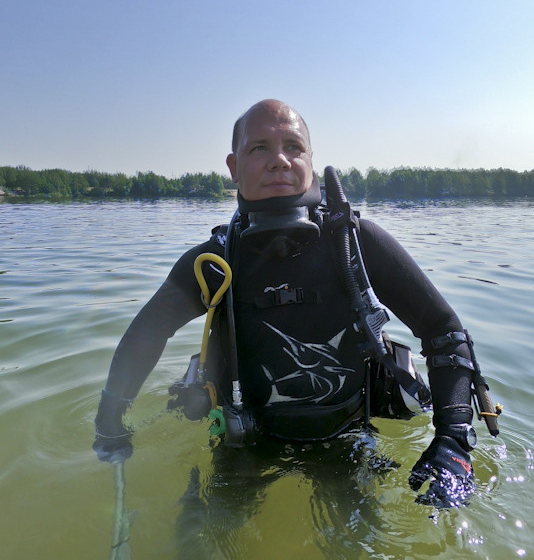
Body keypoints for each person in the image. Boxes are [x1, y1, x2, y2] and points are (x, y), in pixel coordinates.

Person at [94, 99, 485, 508]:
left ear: (311, 161)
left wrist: (454, 439)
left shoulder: (355, 245)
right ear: (233, 166)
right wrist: (109, 421)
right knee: (204, 555)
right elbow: (145, 333)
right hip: (245, 441)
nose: (279, 160)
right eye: (259, 147)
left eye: (293, 147)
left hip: (347, 442)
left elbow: (444, 331)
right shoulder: (215, 262)